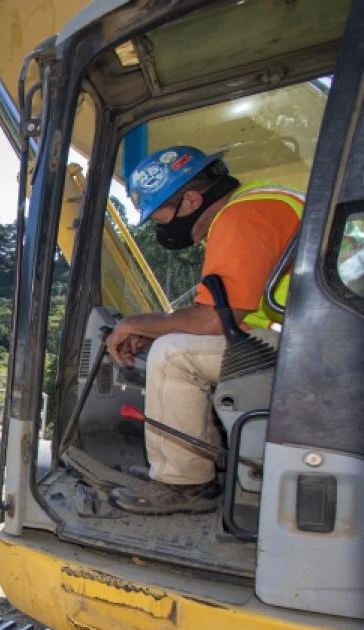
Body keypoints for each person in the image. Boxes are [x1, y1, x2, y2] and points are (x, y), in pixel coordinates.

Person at [105, 145, 303, 514]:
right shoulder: (267, 202)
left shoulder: (241, 216)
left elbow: (213, 321)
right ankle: (197, 464)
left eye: (160, 216)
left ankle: (185, 482)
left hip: (308, 352)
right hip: (312, 341)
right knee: (175, 342)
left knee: (173, 355)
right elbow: (228, 313)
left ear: (192, 199)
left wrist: (135, 324)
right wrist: (155, 327)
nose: (161, 226)